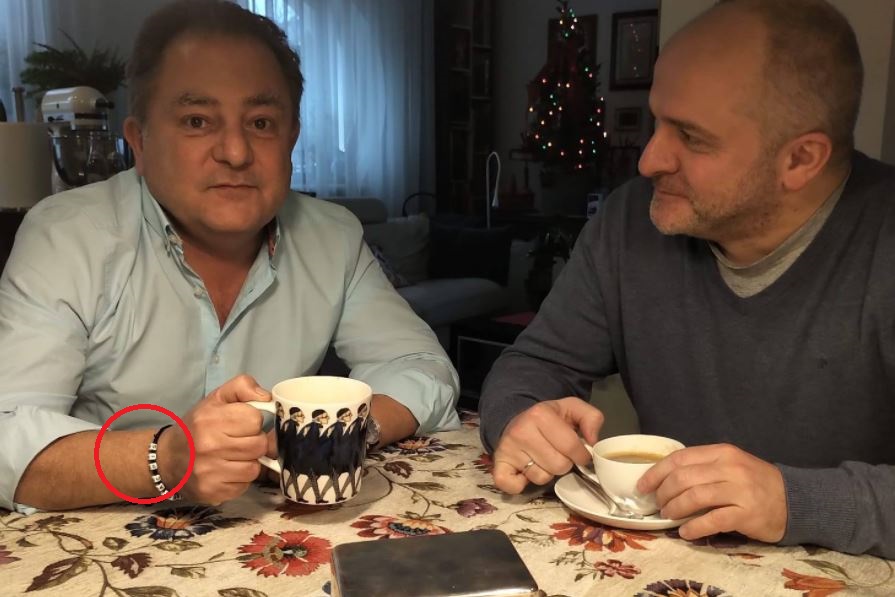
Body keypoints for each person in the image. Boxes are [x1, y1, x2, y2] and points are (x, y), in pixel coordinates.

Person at [0, 0, 460, 511]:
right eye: (197, 120)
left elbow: (422, 367)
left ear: (291, 138)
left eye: (261, 123)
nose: (236, 153)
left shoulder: (332, 236)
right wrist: (166, 458)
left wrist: (341, 431)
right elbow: (7, 435)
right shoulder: (67, 237)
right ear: (140, 141)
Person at [479, 0, 895, 559]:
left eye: (693, 138)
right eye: (657, 121)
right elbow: (533, 364)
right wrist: (519, 418)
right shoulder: (629, 222)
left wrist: (793, 501)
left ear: (801, 159)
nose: (649, 160)